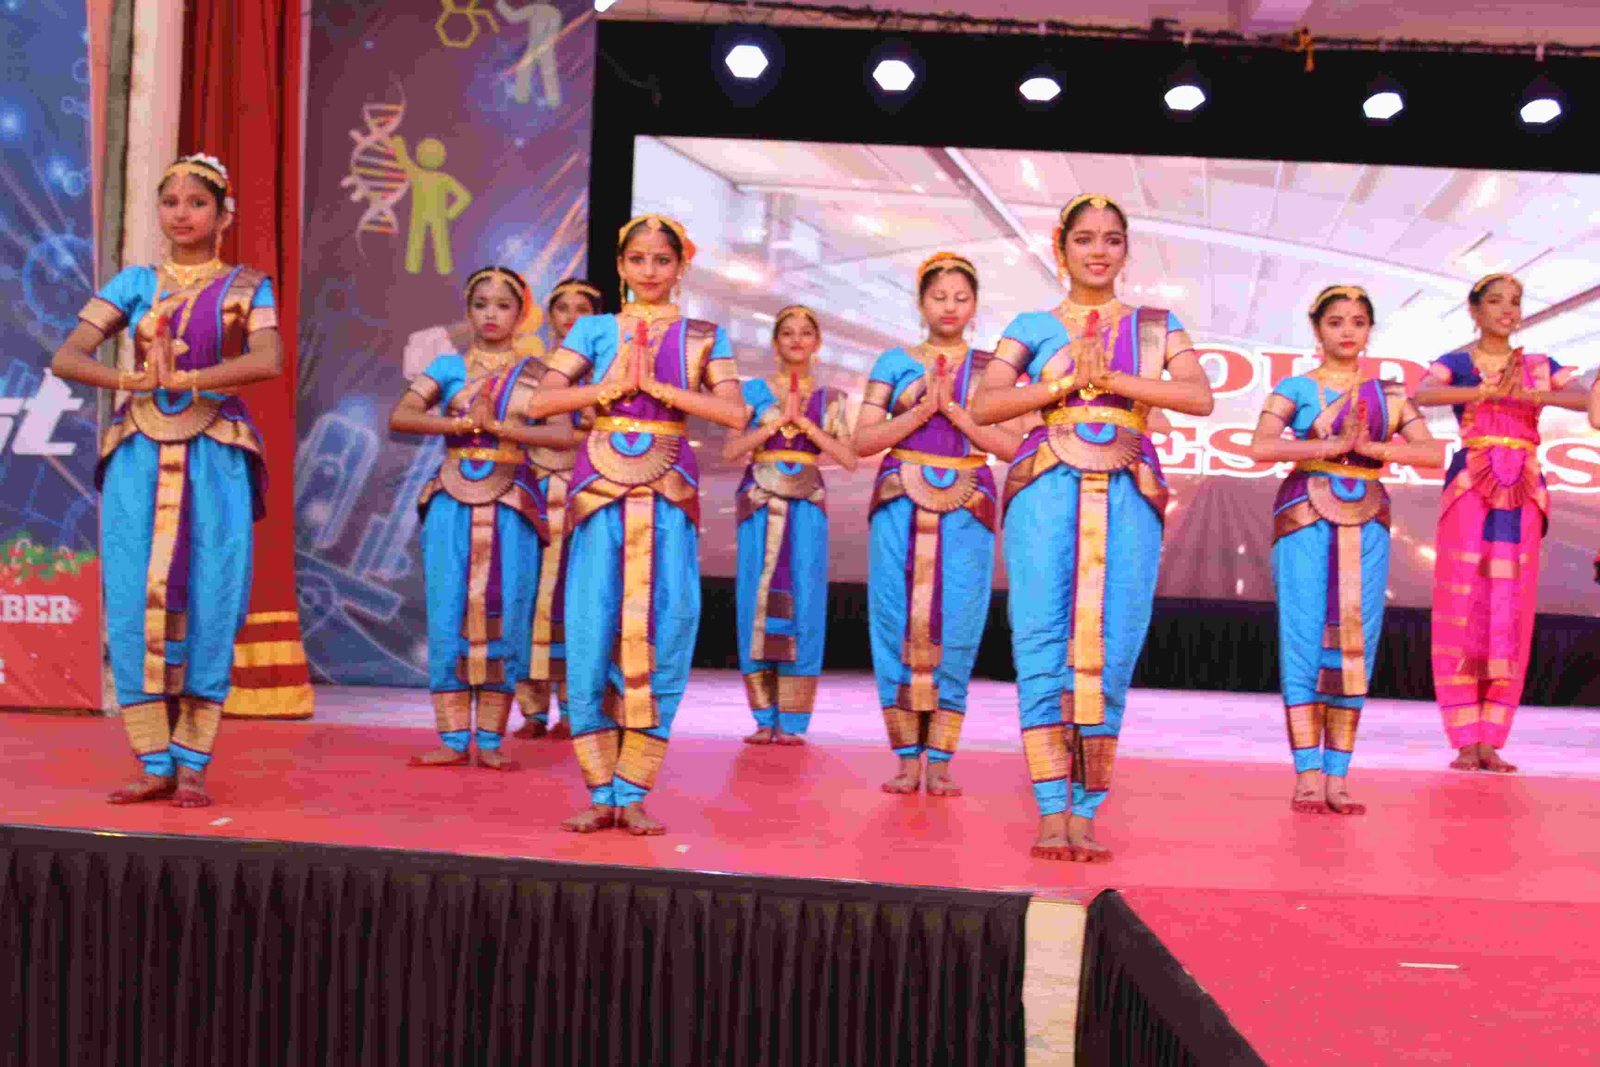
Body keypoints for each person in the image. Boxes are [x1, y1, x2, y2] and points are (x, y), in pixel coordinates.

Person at [970, 195, 1214, 862]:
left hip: (1131, 483)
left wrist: (1111, 377)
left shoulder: (1158, 325)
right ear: (1061, 248)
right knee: (1041, 637)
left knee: (1116, 640)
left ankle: (1086, 809)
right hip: (1044, 483)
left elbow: (1198, 396)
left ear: (1126, 250)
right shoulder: (1031, 325)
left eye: (1111, 239)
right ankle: (1052, 808)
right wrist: (1063, 386)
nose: (1098, 251)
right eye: (1084, 239)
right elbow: (986, 403)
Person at [50, 153, 282, 808]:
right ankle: (153, 759)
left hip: (217, 446)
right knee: (134, 592)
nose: (182, 214)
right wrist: (133, 379)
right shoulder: (134, 283)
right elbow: (68, 356)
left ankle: (194, 761)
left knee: (215, 589)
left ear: (223, 214)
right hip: (139, 449)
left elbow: (268, 359)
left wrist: (191, 379)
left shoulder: (246, 286)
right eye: (171, 202)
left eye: (197, 203)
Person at [524, 215, 746, 835]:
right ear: (621, 266)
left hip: (669, 488)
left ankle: (635, 789)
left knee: (664, 625)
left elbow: (734, 412)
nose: (650, 271)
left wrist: (661, 391)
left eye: (662, 260)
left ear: (680, 268)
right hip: (599, 490)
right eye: (638, 259)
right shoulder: (594, 330)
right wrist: (611, 386)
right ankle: (600, 792)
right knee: (592, 625)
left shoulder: (704, 336)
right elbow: (539, 401)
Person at [1249, 286, 1444, 814]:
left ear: (1369, 330)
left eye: (1358, 322)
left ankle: (1338, 775)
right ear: (1318, 329)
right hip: (1303, 515)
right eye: (1336, 322)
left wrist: (1372, 449)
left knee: (1357, 641)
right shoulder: (1296, 387)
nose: (1348, 331)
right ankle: (1306, 774)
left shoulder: (1390, 395)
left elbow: (1432, 453)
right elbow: (1260, 445)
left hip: (1367, 516)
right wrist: (1328, 447)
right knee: (1303, 638)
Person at [388, 266, 572, 770]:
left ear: (521, 313)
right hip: (451, 498)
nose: (491, 314)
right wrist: (465, 424)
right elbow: (401, 416)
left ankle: (490, 741)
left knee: (505, 611)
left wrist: (507, 430)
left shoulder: (538, 373)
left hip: (513, 498)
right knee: (448, 610)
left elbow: (563, 434)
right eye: (481, 304)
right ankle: (451, 739)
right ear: (468, 312)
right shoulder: (447, 367)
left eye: (503, 305)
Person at [854, 253, 1021, 799]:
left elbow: (1013, 447)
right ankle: (906, 758)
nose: (949, 307)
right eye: (939, 297)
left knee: (959, 624)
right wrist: (922, 413)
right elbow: (863, 440)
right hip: (900, 498)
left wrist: (959, 417)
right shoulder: (893, 361)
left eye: (961, 298)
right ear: (920, 302)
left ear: (975, 306)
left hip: (969, 501)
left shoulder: (995, 369)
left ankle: (942, 758)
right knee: (894, 621)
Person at [1413, 273, 1587, 772]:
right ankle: (1464, 739)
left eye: (1515, 302)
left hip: (1523, 487)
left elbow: (1582, 399)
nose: (1507, 310)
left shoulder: (1539, 366)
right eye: (1495, 301)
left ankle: (1492, 739)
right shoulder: (1456, 363)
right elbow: (1423, 394)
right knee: (1462, 603)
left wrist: (1532, 397)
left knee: (1511, 608)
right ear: (1474, 310)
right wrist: (1483, 390)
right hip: (1470, 483)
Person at [721, 305, 856, 744]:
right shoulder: (753, 391)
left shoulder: (832, 399)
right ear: (775, 342)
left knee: (806, 601)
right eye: (787, 333)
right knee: (754, 600)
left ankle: (794, 720)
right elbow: (730, 450)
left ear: (817, 343)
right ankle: (763, 717)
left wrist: (806, 427)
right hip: (759, 501)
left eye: (805, 333)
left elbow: (849, 458)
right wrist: (776, 423)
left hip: (807, 503)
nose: (797, 340)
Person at [514, 277, 604, 741]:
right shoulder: (529, 372)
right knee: (528, 595)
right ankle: (531, 709)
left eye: (581, 309)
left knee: (577, 599)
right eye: (562, 308)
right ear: (550, 317)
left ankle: (574, 707)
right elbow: (513, 424)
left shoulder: (607, 372)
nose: (570, 317)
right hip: (531, 493)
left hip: (585, 495)